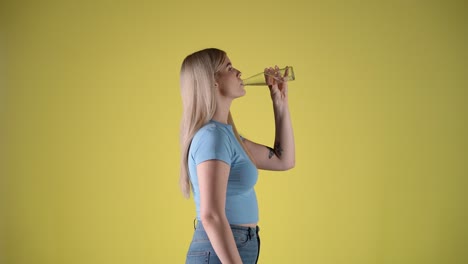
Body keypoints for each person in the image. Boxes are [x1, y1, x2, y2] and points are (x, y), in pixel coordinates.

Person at [179, 48, 295, 264]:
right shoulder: (213, 137)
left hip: (235, 244)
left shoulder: (228, 136)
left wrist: (279, 103)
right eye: (229, 68)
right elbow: (211, 215)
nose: (239, 72)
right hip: (220, 249)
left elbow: (284, 160)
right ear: (213, 80)